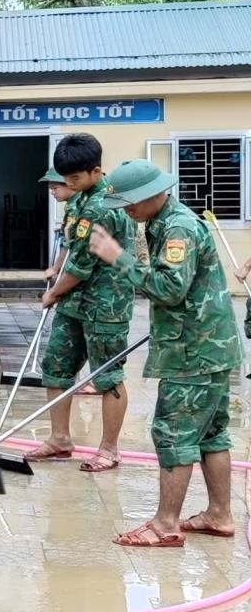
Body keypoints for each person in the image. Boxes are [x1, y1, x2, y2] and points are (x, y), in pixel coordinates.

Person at [89, 158, 244, 547]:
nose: (127, 211)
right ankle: (219, 514)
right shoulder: (164, 222)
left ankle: (164, 524)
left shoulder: (178, 229)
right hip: (209, 346)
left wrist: (118, 257)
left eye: (130, 203)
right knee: (212, 432)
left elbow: (169, 288)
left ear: (150, 195)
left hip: (194, 351)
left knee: (173, 433)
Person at [25, 134, 135, 472]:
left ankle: (109, 449)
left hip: (105, 304)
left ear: (96, 171)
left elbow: (82, 265)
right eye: (65, 178)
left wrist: (54, 291)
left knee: (107, 377)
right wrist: (58, 281)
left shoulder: (102, 205)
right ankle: (60, 438)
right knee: (56, 366)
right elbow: (72, 250)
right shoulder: (83, 201)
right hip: (75, 304)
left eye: (74, 178)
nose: (67, 184)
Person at [40, 166, 97, 396]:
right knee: (69, 346)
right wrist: (55, 269)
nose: (53, 192)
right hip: (72, 285)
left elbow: (78, 254)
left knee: (91, 340)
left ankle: (93, 380)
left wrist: (54, 290)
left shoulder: (84, 208)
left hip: (89, 290)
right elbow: (67, 244)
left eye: (55, 187)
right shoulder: (72, 209)